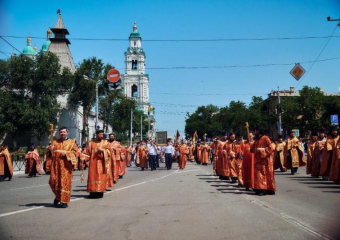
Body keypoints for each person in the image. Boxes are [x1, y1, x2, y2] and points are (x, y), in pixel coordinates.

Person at [49, 126, 79, 208]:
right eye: (61, 132)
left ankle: (64, 201)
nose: (62, 133)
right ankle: (58, 197)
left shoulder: (72, 142)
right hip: (56, 166)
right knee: (53, 181)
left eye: (64, 132)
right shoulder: (55, 142)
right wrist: (50, 150)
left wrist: (67, 154)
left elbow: (77, 153)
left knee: (65, 183)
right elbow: (49, 155)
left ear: (67, 132)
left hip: (66, 167)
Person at [87, 129, 112, 199]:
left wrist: (103, 151)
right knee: (92, 177)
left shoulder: (106, 143)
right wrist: (84, 159)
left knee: (101, 177)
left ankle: (100, 192)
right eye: (99, 134)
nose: (101, 136)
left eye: (102, 134)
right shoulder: (91, 143)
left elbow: (110, 152)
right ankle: (92, 193)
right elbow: (86, 152)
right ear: (96, 135)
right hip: (93, 163)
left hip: (102, 164)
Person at [251, 127, 276, 196]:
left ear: (259, 131)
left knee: (264, 175)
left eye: (256, 131)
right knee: (258, 175)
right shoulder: (256, 140)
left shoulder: (266, 138)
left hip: (265, 161)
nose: (255, 133)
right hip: (258, 160)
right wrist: (252, 146)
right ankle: (259, 188)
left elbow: (271, 148)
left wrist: (262, 150)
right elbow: (253, 149)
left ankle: (265, 189)